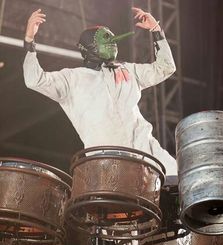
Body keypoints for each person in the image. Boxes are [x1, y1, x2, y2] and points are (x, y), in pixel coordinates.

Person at [23, 7, 177, 178]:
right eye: (106, 39)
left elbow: (165, 68)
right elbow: (34, 80)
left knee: (182, 184)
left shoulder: (126, 70)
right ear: (88, 47)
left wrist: (156, 30)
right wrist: (29, 40)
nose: (112, 43)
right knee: (122, 203)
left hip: (148, 153)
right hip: (107, 164)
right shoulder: (72, 79)